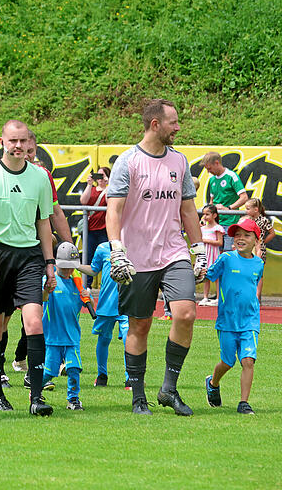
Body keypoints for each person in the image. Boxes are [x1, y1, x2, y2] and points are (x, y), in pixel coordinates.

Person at [105, 98, 207, 416]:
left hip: (174, 252)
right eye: (173, 122)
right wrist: (116, 249)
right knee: (140, 325)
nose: (178, 128)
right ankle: (138, 397)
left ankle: (168, 389)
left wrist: (199, 248)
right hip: (135, 257)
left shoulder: (179, 162)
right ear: (155, 125)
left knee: (186, 314)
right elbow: (114, 209)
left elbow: (188, 209)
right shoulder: (128, 161)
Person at [0, 119, 57, 416]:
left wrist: (50, 264)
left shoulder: (40, 177)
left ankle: (37, 397)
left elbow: (44, 222)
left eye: (22, 141)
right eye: (12, 141)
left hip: (28, 258)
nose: (17, 146)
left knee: (34, 322)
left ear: (29, 143)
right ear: (2, 142)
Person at [204, 218, 263, 415]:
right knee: (228, 362)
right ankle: (213, 383)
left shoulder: (259, 264)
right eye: (237, 235)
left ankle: (243, 403)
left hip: (250, 321)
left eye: (246, 235)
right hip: (227, 321)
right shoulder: (226, 259)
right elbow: (208, 275)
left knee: (248, 360)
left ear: (256, 240)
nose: (240, 238)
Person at [77, 241, 128, 387]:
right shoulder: (102, 248)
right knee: (104, 339)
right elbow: (94, 270)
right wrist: (75, 265)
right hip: (107, 303)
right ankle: (102, 376)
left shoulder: (136, 243)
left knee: (128, 339)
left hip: (128, 302)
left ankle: (130, 378)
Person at [41, 242, 85, 410]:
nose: (67, 271)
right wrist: (47, 290)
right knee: (50, 372)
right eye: (64, 267)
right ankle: (36, 390)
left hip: (72, 336)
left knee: (74, 368)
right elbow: (43, 299)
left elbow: (80, 306)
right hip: (53, 336)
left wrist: (87, 297)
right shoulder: (50, 280)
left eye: (70, 268)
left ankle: (73, 398)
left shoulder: (77, 283)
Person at [203, 151, 248, 249]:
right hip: (216, 223)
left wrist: (228, 208)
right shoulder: (212, 180)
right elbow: (212, 201)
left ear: (217, 163)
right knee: (215, 253)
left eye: (209, 168)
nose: (208, 171)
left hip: (230, 222)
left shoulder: (231, 176)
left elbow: (244, 197)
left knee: (228, 253)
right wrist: (205, 217)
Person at [79, 166, 110, 288]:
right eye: (99, 175)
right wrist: (89, 184)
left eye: (103, 176)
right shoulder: (91, 189)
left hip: (103, 230)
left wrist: (109, 184)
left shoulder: (109, 190)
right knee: (88, 257)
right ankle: (87, 285)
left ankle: (105, 284)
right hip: (90, 230)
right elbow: (83, 201)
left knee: (106, 259)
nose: (100, 179)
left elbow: (109, 200)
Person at [244, 198, 274, 301]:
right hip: (249, 248)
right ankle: (249, 294)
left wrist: (263, 242)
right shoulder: (247, 220)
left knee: (259, 273)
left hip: (259, 248)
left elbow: (272, 232)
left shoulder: (263, 220)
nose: (246, 211)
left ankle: (257, 296)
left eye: (248, 209)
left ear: (256, 209)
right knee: (247, 271)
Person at [199, 204, 225, 306]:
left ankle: (218, 298)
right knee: (206, 276)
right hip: (205, 254)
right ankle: (205, 297)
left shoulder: (217, 228)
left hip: (213, 254)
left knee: (217, 276)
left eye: (207, 214)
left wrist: (207, 241)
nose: (205, 216)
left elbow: (220, 242)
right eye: (204, 214)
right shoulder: (202, 228)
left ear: (214, 215)